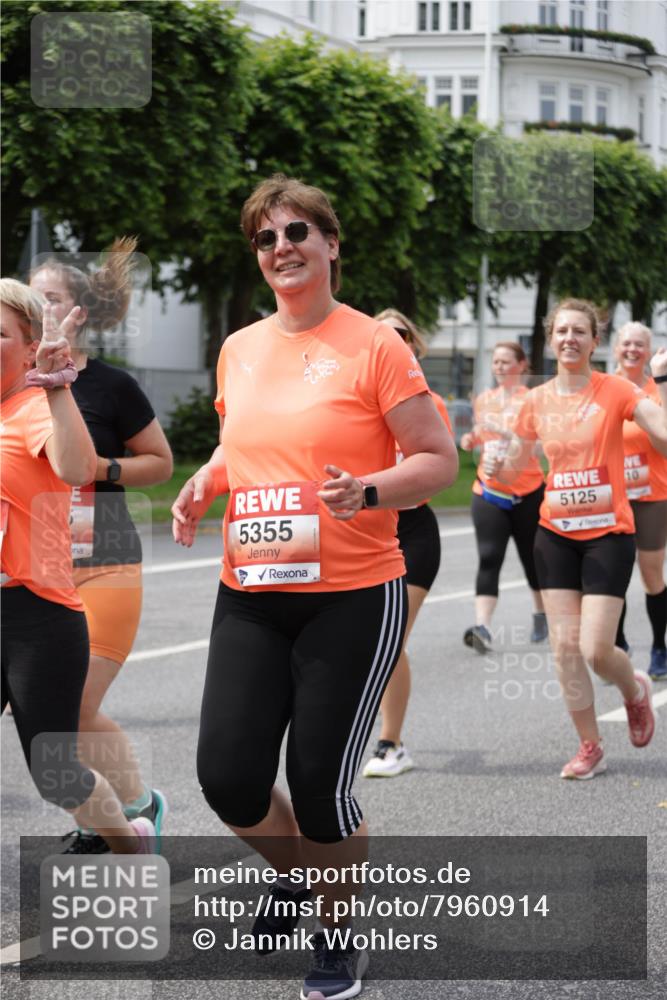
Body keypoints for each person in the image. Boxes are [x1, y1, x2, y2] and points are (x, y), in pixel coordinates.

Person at [172, 174, 457, 1000]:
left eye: (296, 231)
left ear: (330, 243)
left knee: (322, 789)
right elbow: (247, 444)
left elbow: (434, 459)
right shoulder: (240, 347)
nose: (280, 248)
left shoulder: (374, 344)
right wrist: (206, 479)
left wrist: (367, 490)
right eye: (264, 239)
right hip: (251, 589)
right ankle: (299, 874)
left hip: (351, 594)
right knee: (226, 776)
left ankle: (338, 934)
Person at [1, 278, 155, 853]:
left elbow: (76, 467)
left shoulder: (36, 408)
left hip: (36, 617)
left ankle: (130, 839)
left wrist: (57, 385)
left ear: (25, 346)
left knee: (55, 775)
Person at [29, 240, 173, 853]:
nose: (38, 307)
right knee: (56, 716)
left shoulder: (112, 387)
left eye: (50, 298)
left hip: (105, 563)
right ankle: (119, 812)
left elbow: (160, 464)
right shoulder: (13, 385)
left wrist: (97, 469)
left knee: (75, 707)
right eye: (29, 297)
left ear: (77, 314)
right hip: (36, 570)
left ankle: (126, 814)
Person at [484, 299, 664, 781]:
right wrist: (496, 463)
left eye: (579, 331)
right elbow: (516, 461)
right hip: (555, 534)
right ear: (550, 338)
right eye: (561, 330)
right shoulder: (536, 400)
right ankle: (590, 746)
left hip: (609, 534)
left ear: (594, 340)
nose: (569, 338)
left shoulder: (616, 390)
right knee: (563, 648)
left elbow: (662, 433)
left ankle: (634, 691)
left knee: (596, 650)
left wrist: (662, 391)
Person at [363, 308, 451, 778]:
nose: (393, 341)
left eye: (401, 336)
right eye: (384, 335)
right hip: (366, 533)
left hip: (413, 533)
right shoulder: (356, 401)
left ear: (412, 347)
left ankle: (391, 743)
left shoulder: (426, 403)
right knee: (360, 639)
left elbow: (433, 476)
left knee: (392, 638)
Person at [460, 342, 546, 653]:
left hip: (528, 492)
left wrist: (512, 439)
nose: (498, 367)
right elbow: (481, 435)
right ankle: (482, 627)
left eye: (505, 362)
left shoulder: (534, 400)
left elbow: (542, 447)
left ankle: (541, 614)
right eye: (495, 362)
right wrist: (470, 439)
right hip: (489, 491)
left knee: (532, 558)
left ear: (522, 365)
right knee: (489, 557)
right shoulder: (484, 400)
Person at [613, 322, 667, 681]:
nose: (632, 349)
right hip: (610, 495)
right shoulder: (603, 387)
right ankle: (615, 646)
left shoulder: (656, 390)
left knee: (650, 573)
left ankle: (659, 648)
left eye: (639, 345)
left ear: (649, 352)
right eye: (626, 343)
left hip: (651, 495)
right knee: (611, 573)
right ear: (616, 347)